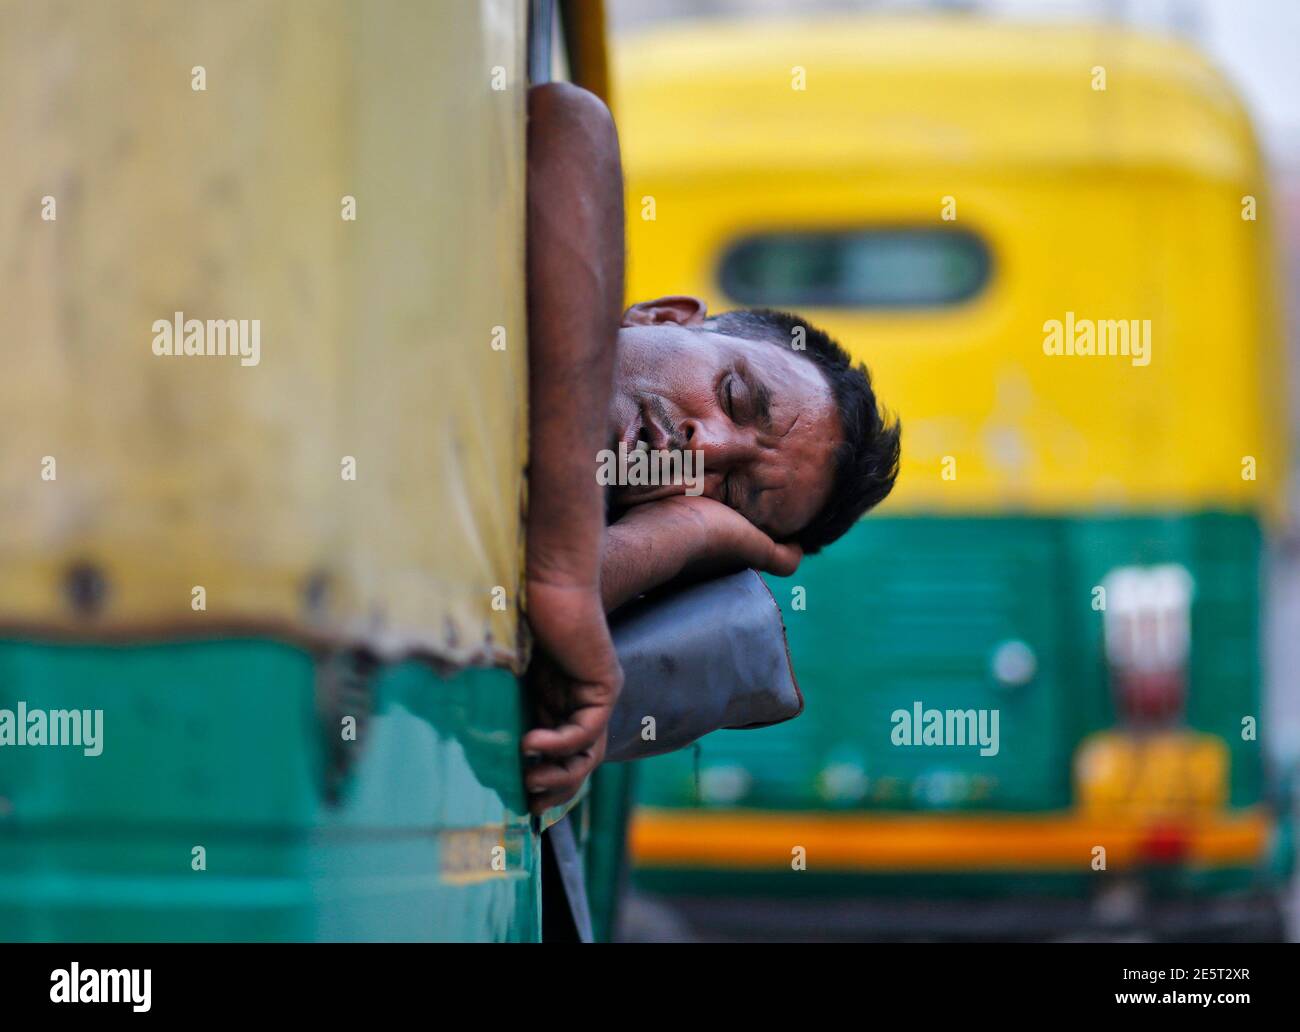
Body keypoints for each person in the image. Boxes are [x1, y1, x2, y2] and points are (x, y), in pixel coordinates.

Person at [521, 82, 900, 815]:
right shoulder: (508, 300)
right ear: (664, 315)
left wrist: (689, 529)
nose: (708, 448)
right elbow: (569, 122)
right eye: (734, 397)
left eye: (734, 495)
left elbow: (497, 606)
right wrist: (565, 577)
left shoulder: (549, 528)